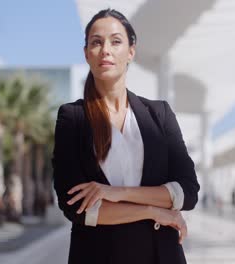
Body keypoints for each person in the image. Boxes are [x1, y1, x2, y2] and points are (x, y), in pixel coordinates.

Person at [52, 9, 200, 264]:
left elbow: (187, 192)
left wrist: (113, 193)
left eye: (116, 41)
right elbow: (75, 206)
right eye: (96, 42)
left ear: (131, 51)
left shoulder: (160, 114)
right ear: (87, 53)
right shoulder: (72, 118)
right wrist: (154, 210)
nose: (105, 50)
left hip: (161, 256)